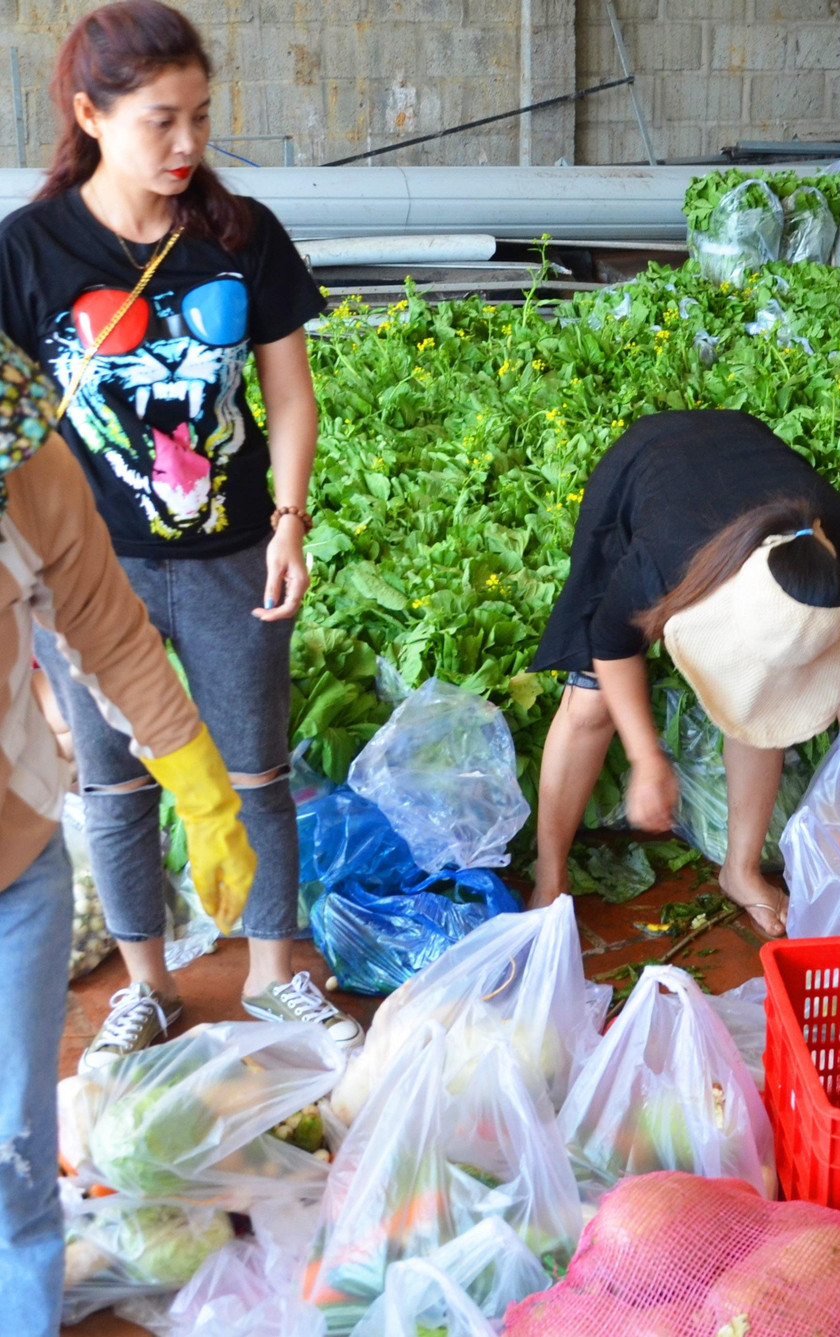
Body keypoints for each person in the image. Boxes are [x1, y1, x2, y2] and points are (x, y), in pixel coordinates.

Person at [0, 0, 351, 1069]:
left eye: (199, 115)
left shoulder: (241, 236)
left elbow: (289, 395)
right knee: (113, 782)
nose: (188, 142)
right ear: (90, 116)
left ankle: (273, 970)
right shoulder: (28, 250)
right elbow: (14, 441)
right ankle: (147, 985)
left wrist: (288, 521)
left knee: (255, 773)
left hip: (231, 555)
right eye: (161, 119)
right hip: (86, 570)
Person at [0, 330, 256, 1337]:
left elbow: (105, 631)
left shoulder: (25, 457)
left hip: (11, 864)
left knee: (14, 1147)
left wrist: (202, 790)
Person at [528, 411, 840, 935]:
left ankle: (740, 872)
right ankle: (549, 874)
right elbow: (610, 646)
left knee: (762, 709)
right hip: (647, 463)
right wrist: (645, 757)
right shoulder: (665, 558)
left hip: (739, 445)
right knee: (591, 702)